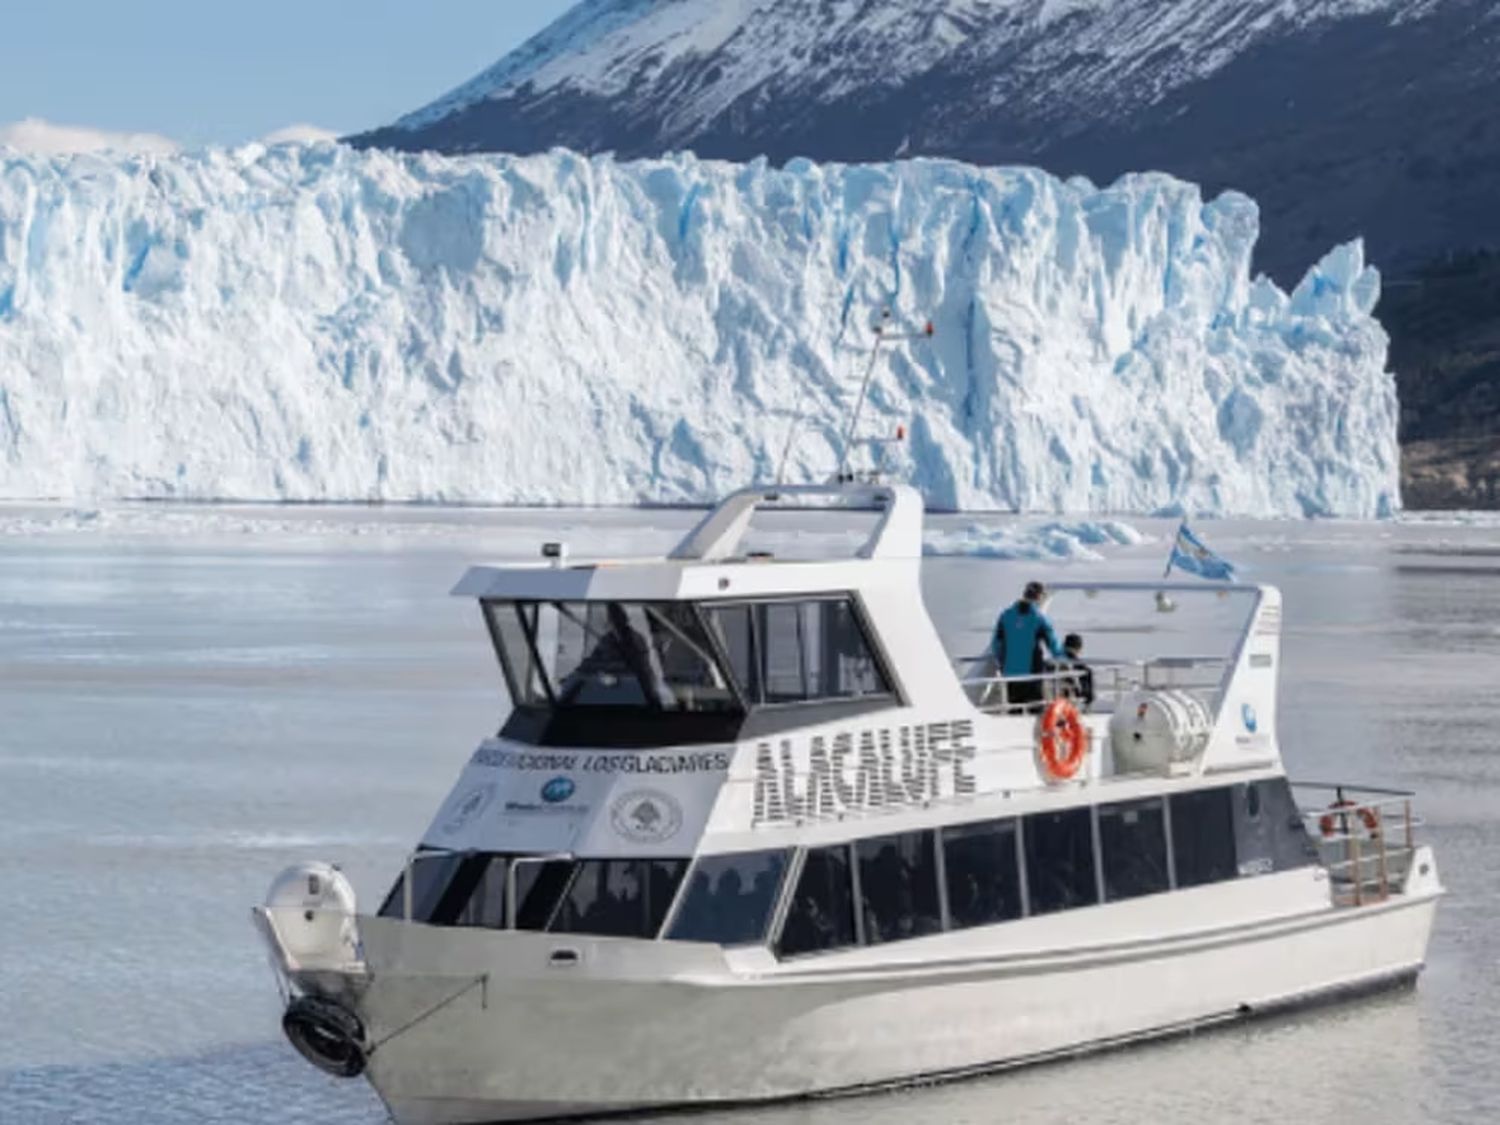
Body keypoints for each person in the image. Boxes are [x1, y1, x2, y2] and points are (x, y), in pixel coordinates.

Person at [990, 580, 1064, 712]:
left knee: (1014, 709)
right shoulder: (1039, 618)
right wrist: (1066, 659)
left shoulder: (1006, 615)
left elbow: (996, 644)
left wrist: (1001, 663)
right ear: (1040, 597)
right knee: (1035, 710)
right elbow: (1053, 646)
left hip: (1010, 673)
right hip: (1032, 673)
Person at [1054, 632, 1096, 708]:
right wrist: (1089, 697)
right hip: (1071, 691)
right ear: (1078, 647)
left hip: (1056, 690)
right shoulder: (1074, 661)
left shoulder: (1057, 657)